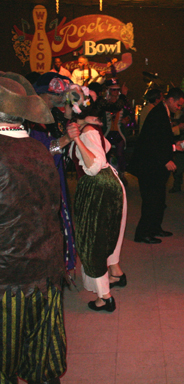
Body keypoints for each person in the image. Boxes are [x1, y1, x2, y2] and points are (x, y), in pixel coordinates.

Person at [0, 72, 66, 383]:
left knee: (5, 361)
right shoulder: (40, 149)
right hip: (45, 269)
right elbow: (52, 206)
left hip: (7, 277)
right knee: (41, 359)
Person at [67, 91, 127, 312]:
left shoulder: (86, 133)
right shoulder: (91, 130)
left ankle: (105, 297)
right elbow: (106, 149)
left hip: (98, 188)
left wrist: (76, 139)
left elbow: (94, 165)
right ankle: (116, 274)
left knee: (93, 242)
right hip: (108, 184)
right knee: (107, 235)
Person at [32, 72, 78, 273]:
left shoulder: (51, 115)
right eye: (58, 93)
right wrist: (65, 140)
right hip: (39, 185)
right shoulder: (30, 119)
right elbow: (40, 152)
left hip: (54, 178)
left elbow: (67, 120)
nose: (61, 97)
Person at [132, 88, 184, 244]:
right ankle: (143, 233)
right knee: (151, 200)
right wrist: (165, 160)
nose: (179, 107)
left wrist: (174, 146)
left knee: (159, 199)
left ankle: (155, 228)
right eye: (178, 104)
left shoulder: (163, 112)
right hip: (149, 166)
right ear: (170, 100)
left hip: (154, 165)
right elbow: (151, 142)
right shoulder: (158, 114)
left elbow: (161, 139)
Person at [98, 78, 133, 184]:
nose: (116, 92)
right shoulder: (103, 103)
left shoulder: (123, 103)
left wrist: (126, 120)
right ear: (108, 91)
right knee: (105, 154)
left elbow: (130, 117)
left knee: (120, 152)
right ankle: (106, 175)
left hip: (118, 133)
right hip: (106, 134)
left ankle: (121, 173)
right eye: (113, 90)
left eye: (117, 90)